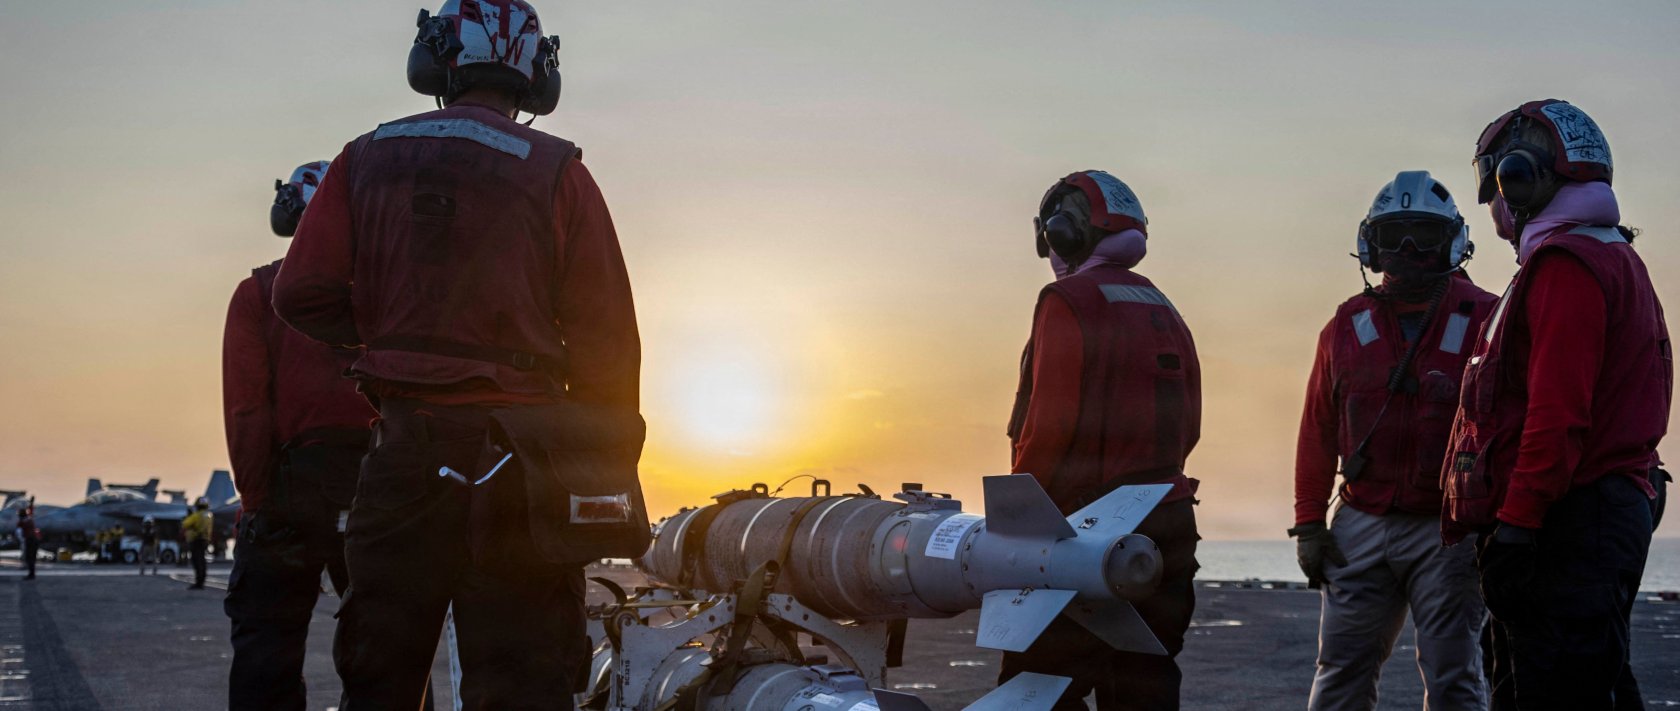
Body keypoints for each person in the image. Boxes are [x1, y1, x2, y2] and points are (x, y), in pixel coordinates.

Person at [272, 1, 639, 706]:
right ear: (537, 70)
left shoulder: (363, 156)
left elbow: (300, 293)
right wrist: (596, 467)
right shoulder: (559, 170)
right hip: (520, 465)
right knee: (525, 678)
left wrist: (387, 334)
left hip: (405, 455)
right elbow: (607, 341)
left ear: (438, 56)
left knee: (381, 672)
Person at [1444, 99, 1669, 710]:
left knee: (1546, 691)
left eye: (1493, 181)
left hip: (1568, 522)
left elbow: (1556, 414)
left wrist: (1517, 525)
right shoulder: (1613, 255)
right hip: (1599, 513)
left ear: (1519, 178)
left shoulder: (1565, 265)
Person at [1290, 171, 1496, 710]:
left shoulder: (1487, 319)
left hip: (1448, 529)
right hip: (1360, 522)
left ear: (1452, 242)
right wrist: (1309, 522)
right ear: (1370, 245)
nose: (1408, 250)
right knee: (1339, 673)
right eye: (1394, 236)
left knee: (1454, 676)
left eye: (1424, 236)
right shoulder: (1345, 325)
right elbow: (1317, 429)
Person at [1000, 171, 1200, 710]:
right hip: (1171, 523)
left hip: (1087, 534)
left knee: (1031, 692)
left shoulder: (1068, 299)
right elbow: (1191, 426)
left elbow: (1049, 427)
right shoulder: (1162, 304)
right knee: (1142, 686)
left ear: (1064, 232)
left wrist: (1019, 528)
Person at [222, 159, 378, 711]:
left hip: (293, 489)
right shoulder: (391, 296)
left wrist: (257, 501)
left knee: (267, 646)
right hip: (379, 487)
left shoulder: (259, 294)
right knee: (384, 657)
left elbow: (247, 411)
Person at [183, 498, 214, 589]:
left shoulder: (197, 515)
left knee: (196, 561)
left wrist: (189, 516)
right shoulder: (209, 515)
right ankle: (201, 581)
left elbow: (185, 524)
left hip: (196, 540)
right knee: (202, 561)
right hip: (205, 540)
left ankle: (198, 583)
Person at [17, 503, 39, 580]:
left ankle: (31, 575)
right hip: (34, 540)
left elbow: (20, 533)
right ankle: (31, 574)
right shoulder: (29, 520)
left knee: (29, 558)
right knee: (31, 558)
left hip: (29, 540)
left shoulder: (22, 522)